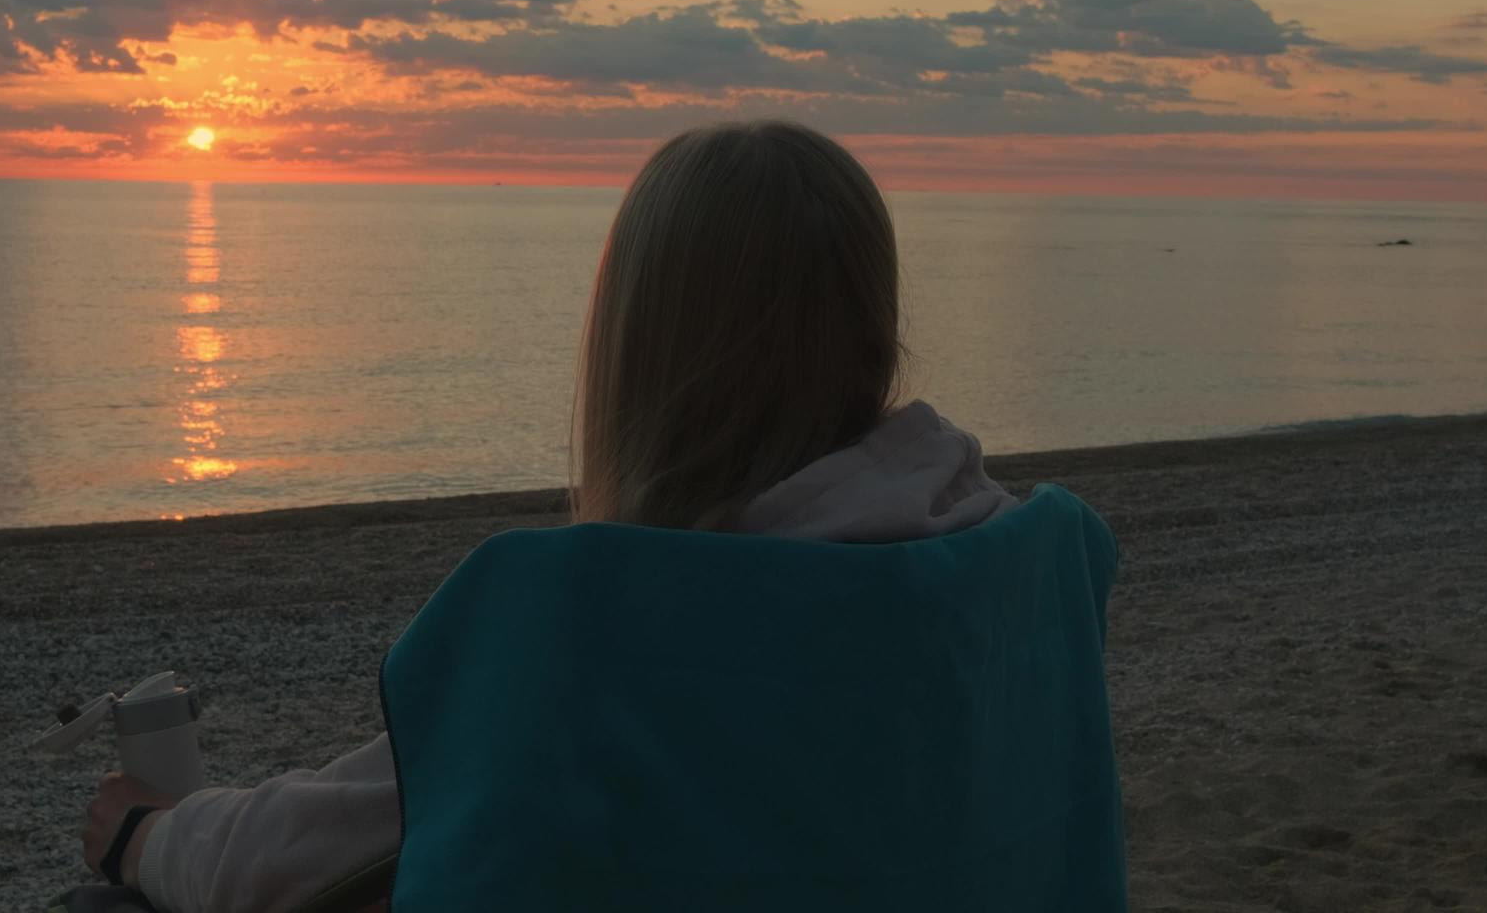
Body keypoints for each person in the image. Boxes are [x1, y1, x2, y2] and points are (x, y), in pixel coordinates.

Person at [79, 120, 1023, 913]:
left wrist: (146, 834)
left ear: (638, 352)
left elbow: (297, 854)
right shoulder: (1005, 563)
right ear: (875, 326)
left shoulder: (620, 632)